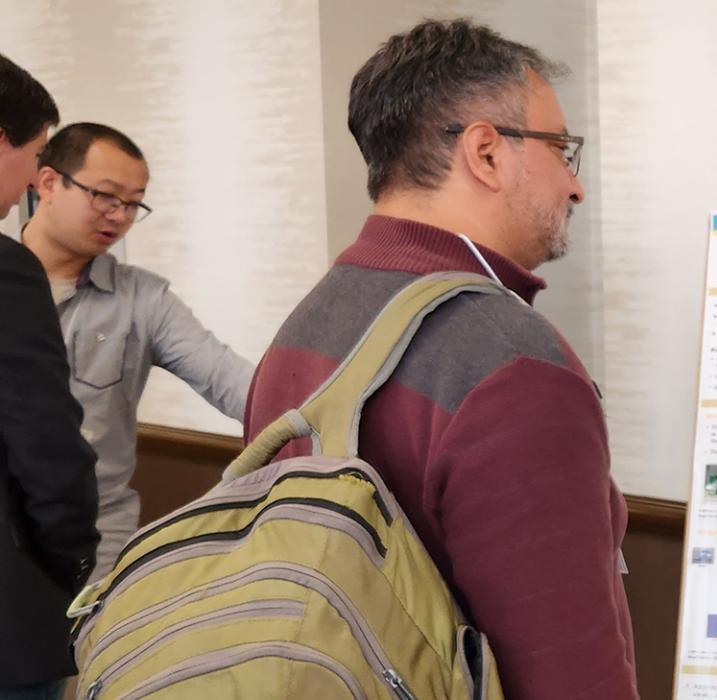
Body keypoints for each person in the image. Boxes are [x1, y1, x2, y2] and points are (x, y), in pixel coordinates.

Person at [244, 18, 636, 698]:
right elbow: (570, 675)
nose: (574, 185)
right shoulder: (513, 366)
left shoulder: (305, 324)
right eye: (562, 149)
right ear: (485, 152)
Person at [19, 122, 254, 579]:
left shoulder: (142, 300)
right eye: (105, 196)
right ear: (49, 183)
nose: (119, 215)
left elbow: (234, 382)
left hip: (96, 539)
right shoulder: (10, 284)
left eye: (132, 203)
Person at [0, 52, 100, 700]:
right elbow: (45, 446)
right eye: (33, 155)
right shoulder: (9, 272)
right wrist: (74, 564)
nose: (33, 180)